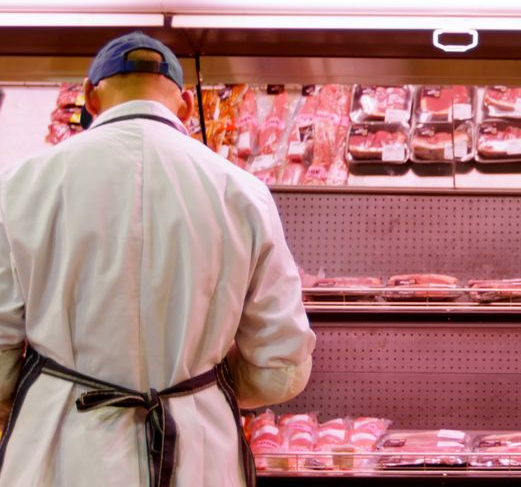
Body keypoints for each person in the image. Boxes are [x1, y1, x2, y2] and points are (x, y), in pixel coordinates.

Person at [0, 32, 316, 486]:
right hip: (200, 454)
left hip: (59, 450)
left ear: (90, 96)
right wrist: (195, 383)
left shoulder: (19, 186)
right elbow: (280, 369)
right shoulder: (244, 194)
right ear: (186, 105)